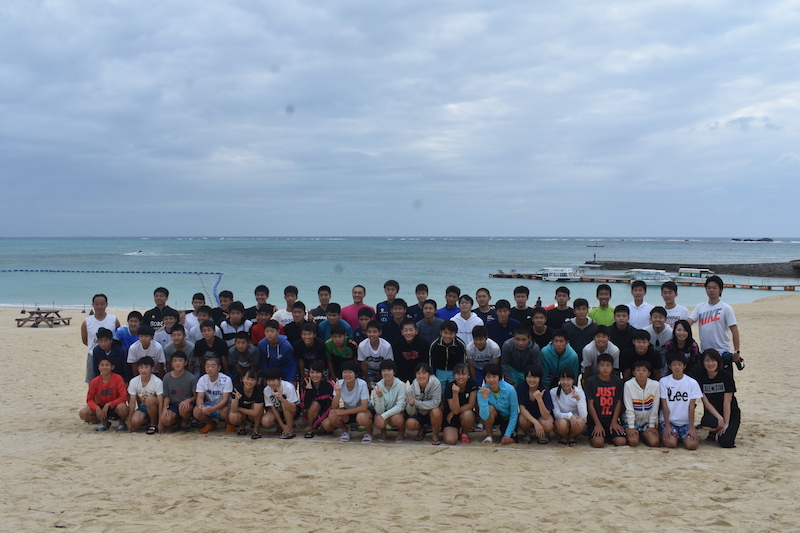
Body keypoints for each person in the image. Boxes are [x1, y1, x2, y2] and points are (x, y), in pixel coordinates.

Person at [688, 275, 742, 376]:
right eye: (709, 287)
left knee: (725, 381)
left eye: (714, 288)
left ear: (720, 290)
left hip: (722, 352)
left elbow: (734, 331)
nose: (711, 290)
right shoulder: (700, 307)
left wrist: (737, 351)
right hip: (705, 353)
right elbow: (688, 323)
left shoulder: (726, 308)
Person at [322, 360, 374, 443]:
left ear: (356, 374)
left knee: (362, 417)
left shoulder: (362, 384)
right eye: (344, 372)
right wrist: (338, 394)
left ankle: (369, 431)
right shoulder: (339, 383)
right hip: (348, 410)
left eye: (350, 372)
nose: (347, 375)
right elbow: (334, 407)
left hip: (363, 411)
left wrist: (343, 412)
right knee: (332, 416)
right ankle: (345, 431)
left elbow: (364, 407)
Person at [697, 349, 740, 448]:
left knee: (726, 443)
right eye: (707, 360)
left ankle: (721, 429)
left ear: (718, 361)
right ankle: (714, 430)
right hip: (714, 412)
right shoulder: (701, 377)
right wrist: (719, 418)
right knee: (707, 424)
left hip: (730, 412)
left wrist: (726, 423)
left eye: (713, 360)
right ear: (703, 362)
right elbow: (706, 402)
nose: (710, 363)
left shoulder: (726, 376)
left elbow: (727, 401)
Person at [660, 354, 702, 450]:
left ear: (684, 366)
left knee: (692, 445)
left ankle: (681, 436)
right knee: (671, 444)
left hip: (685, 422)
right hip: (670, 421)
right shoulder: (664, 381)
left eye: (679, 364)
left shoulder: (692, 382)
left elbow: (692, 406)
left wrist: (691, 427)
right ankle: (675, 436)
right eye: (674, 365)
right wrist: (667, 426)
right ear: (669, 366)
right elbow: (664, 404)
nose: (677, 367)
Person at [585, 354, 627, 448]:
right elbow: (590, 404)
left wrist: (614, 421)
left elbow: (619, 402)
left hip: (611, 419)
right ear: (597, 367)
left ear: (612, 367)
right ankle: (597, 434)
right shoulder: (591, 381)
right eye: (602, 365)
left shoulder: (617, 381)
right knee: (598, 443)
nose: (605, 368)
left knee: (621, 442)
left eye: (608, 365)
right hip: (596, 419)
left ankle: (609, 435)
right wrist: (597, 424)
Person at [80, 356, 129, 432]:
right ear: (98, 367)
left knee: (123, 408)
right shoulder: (94, 381)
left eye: (107, 365)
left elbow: (123, 397)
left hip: (115, 406)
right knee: (83, 413)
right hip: (101, 406)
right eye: (102, 365)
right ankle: (104, 422)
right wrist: (96, 408)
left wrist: (109, 404)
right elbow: (89, 399)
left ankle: (122, 422)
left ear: (112, 367)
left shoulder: (118, 378)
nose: (104, 367)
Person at [81, 293, 120, 384]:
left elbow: (118, 337)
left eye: (102, 304)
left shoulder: (113, 320)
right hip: (93, 354)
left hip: (111, 355)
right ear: (93, 305)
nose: (99, 307)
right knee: (92, 381)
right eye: (96, 304)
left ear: (106, 304)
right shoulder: (87, 322)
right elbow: (85, 340)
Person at [477, 363, 518, 445]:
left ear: (499, 377)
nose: (491, 380)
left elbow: (514, 413)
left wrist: (507, 435)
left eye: (494, 376)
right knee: (490, 408)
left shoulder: (510, 389)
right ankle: (489, 435)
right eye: (488, 377)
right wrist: (484, 398)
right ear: (484, 378)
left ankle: (509, 433)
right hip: (496, 416)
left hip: (508, 417)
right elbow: (484, 416)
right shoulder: (482, 391)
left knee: (506, 440)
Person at [623, 360, 661, 447]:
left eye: (644, 370)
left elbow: (655, 408)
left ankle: (644, 435)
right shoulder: (628, 385)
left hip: (646, 422)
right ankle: (636, 433)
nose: (641, 373)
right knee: (633, 442)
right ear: (633, 373)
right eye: (638, 370)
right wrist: (631, 427)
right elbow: (629, 408)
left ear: (649, 373)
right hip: (632, 421)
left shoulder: (655, 385)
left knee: (654, 442)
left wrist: (651, 425)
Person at [158, 351, 197, 433]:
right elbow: (166, 396)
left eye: (180, 360)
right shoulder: (167, 377)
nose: (177, 363)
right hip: (173, 405)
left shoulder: (191, 378)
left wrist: (188, 400)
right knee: (166, 420)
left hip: (186, 405)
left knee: (183, 408)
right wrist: (164, 409)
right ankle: (177, 420)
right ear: (171, 363)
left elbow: (196, 395)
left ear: (185, 363)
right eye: (175, 361)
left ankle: (185, 422)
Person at [515, 364, 554, 444]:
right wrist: (536, 423)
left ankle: (545, 435)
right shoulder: (521, 386)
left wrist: (539, 399)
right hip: (528, 415)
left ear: (540, 378)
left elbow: (546, 415)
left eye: (535, 377)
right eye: (529, 377)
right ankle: (527, 434)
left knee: (547, 424)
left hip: (541, 416)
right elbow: (522, 409)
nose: (532, 380)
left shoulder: (544, 389)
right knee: (522, 419)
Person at [405, 363, 443, 445]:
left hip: (432, 413)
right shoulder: (411, 388)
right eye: (418, 373)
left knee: (436, 411)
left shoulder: (436, 383)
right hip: (419, 413)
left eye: (424, 373)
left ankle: (435, 435)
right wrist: (411, 405)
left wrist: (416, 403)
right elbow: (410, 413)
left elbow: (436, 403)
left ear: (429, 374)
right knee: (410, 423)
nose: (421, 376)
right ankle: (422, 428)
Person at [193, 357, 233, 434]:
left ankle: (229, 424)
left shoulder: (226, 379)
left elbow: (226, 399)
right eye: (207, 366)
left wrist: (214, 409)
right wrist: (201, 406)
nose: (210, 369)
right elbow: (200, 397)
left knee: (224, 411)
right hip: (210, 404)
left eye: (213, 366)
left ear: (219, 368)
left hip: (225, 405)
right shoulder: (202, 379)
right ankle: (210, 424)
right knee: (196, 410)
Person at [442, 363, 478, 445]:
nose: (461, 377)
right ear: (454, 375)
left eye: (464, 374)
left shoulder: (472, 384)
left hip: (464, 413)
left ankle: (464, 432)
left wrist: (453, 412)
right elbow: (454, 410)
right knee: (450, 440)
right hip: (451, 417)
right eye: (458, 374)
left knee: (468, 414)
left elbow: (471, 404)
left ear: (468, 375)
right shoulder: (449, 387)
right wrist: (455, 393)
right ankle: (455, 431)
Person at [126, 356, 164, 435]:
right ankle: (149, 420)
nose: (144, 370)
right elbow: (132, 402)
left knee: (149, 400)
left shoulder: (157, 382)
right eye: (141, 367)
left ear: (152, 369)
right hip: (144, 406)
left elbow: (161, 402)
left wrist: (161, 422)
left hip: (155, 406)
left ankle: (153, 424)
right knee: (135, 421)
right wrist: (129, 421)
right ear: (138, 369)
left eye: (146, 367)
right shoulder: (133, 381)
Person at [373, 360, 408, 442]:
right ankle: (383, 432)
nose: (386, 373)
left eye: (389, 370)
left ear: (394, 372)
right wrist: (380, 397)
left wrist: (384, 416)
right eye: (383, 370)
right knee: (378, 420)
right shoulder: (377, 386)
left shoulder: (401, 385)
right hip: (383, 411)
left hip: (397, 412)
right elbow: (379, 411)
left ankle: (401, 432)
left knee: (396, 418)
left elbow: (401, 406)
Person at [550, 368, 587, 447]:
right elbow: (556, 414)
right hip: (561, 420)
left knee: (580, 422)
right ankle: (564, 436)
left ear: (573, 380)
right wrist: (569, 416)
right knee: (561, 423)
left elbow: (583, 415)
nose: (565, 382)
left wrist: (578, 400)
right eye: (563, 379)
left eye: (568, 379)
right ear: (559, 380)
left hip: (575, 421)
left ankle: (571, 437)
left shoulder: (579, 392)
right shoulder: (553, 392)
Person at [262, 367, 300, 439]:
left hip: (291, 410)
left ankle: (289, 431)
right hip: (278, 411)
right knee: (265, 421)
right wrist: (282, 425)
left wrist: (282, 399)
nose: (271, 383)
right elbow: (273, 408)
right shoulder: (266, 390)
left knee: (284, 404)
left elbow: (293, 408)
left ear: (280, 379)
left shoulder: (289, 387)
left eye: (273, 380)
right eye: (269, 380)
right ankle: (282, 427)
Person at [300, 361, 334, 438]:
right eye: (312, 372)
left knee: (327, 426)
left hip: (327, 412)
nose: (314, 375)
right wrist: (308, 391)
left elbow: (330, 406)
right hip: (313, 412)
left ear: (323, 373)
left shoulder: (329, 385)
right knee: (314, 404)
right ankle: (312, 428)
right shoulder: (306, 384)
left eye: (317, 372)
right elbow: (303, 405)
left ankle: (318, 427)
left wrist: (317, 422)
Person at [228, 369, 265, 439]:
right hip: (242, 415)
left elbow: (255, 412)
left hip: (253, 415)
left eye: (253, 380)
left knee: (259, 408)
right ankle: (242, 426)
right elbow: (233, 410)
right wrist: (236, 399)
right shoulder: (237, 389)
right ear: (243, 379)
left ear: (257, 381)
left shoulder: (259, 391)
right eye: (247, 379)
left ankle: (256, 429)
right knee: (233, 416)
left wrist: (239, 409)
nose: (249, 382)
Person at [258, 320, 297, 384]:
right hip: (273, 365)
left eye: (272, 331)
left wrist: (293, 378)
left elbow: (294, 361)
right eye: (267, 331)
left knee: (290, 385)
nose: (269, 334)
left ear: (278, 332)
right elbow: (263, 360)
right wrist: (266, 374)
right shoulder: (261, 344)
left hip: (287, 365)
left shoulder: (286, 346)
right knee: (269, 384)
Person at [391, 319, 430, 384]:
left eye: (411, 330)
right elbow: (397, 362)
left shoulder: (423, 343)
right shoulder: (396, 343)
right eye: (405, 330)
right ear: (402, 332)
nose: (408, 333)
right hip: (401, 373)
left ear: (416, 331)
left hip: (419, 374)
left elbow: (425, 362)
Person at [429, 320, 467, 386]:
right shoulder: (435, 344)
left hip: (454, 371)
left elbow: (462, 362)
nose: (448, 336)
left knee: (453, 388)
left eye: (451, 333)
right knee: (439, 388)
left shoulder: (460, 345)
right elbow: (431, 361)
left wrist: (460, 374)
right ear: (440, 332)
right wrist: (432, 374)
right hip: (439, 371)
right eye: (445, 333)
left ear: (455, 333)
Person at [358, 320, 394, 385]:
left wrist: (381, 373)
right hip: (369, 370)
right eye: (369, 332)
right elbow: (363, 365)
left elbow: (388, 364)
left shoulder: (386, 346)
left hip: (383, 370)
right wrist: (367, 382)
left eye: (374, 332)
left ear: (380, 333)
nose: (372, 334)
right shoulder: (362, 346)